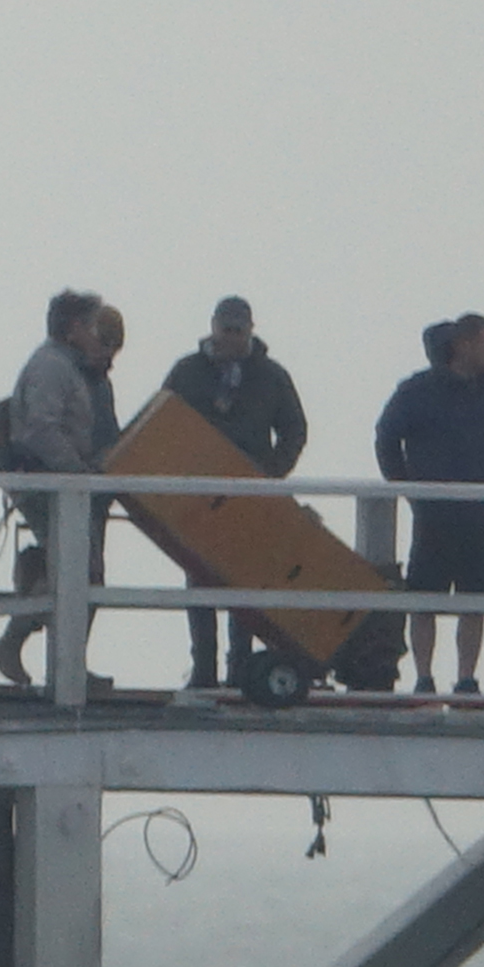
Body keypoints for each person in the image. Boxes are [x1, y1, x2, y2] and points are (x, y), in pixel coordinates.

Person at [162, 295, 308, 688]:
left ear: (250, 331)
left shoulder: (271, 376)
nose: (231, 337)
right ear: (212, 327)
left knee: (245, 583)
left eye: (239, 330)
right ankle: (204, 669)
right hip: (198, 498)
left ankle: (240, 668)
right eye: (225, 328)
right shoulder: (187, 372)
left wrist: (270, 475)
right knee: (199, 579)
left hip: (250, 499)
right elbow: (162, 422)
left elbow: (295, 429)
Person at [375, 313, 484, 696]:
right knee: (424, 597)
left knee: (476, 598)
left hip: (480, 510)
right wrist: (407, 487)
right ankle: (424, 678)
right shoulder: (418, 391)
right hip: (434, 513)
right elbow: (386, 437)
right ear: (464, 345)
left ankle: (466, 679)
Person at [0, 290, 112, 688]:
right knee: (81, 569)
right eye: (94, 325)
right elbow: (41, 428)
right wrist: (78, 473)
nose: (100, 334)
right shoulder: (53, 367)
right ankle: (39, 653)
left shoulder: (72, 368)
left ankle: (59, 657)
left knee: (74, 569)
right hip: (53, 486)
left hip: (64, 486)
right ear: (74, 328)